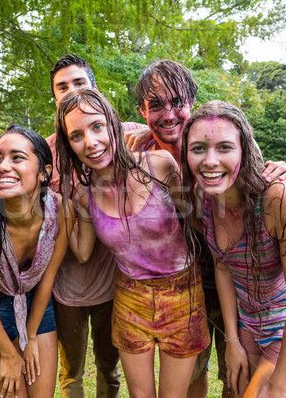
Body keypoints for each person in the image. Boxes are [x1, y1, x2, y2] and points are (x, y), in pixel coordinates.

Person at [129, 59, 286, 398]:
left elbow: (260, 187)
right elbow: (86, 134)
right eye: (156, 105)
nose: (168, 114)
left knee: (237, 380)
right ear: (142, 110)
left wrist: (285, 170)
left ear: (191, 102)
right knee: (191, 376)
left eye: (177, 102)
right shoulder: (138, 149)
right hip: (179, 289)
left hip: (234, 285)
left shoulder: (219, 149)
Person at [56, 88, 211, 398]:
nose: (90, 142)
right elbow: (83, 252)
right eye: (76, 136)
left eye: (97, 126)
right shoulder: (84, 196)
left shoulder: (160, 166)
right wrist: (60, 203)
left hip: (183, 294)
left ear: (113, 123)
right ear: (69, 145)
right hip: (130, 298)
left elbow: (199, 216)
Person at [181, 100, 286, 398]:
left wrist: (281, 385)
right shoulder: (201, 198)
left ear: (244, 149)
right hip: (252, 319)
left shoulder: (279, 197)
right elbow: (222, 266)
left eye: (225, 147)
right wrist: (231, 340)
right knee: (242, 389)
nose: (210, 160)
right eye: (199, 148)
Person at [47, 54, 146, 398]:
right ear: (55, 97)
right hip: (66, 286)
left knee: (109, 367)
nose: (71, 91)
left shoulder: (130, 136)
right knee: (70, 372)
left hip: (114, 286)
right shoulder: (48, 151)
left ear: (96, 90)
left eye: (80, 83)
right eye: (62, 87)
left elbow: (179, 131)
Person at [0, 124, 72, 398]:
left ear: (43, 172)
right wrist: (10, 355)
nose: (2, 166)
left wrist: (31, 336)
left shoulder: (60, 209)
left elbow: (48, 276)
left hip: (37, 304)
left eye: (17, 157)